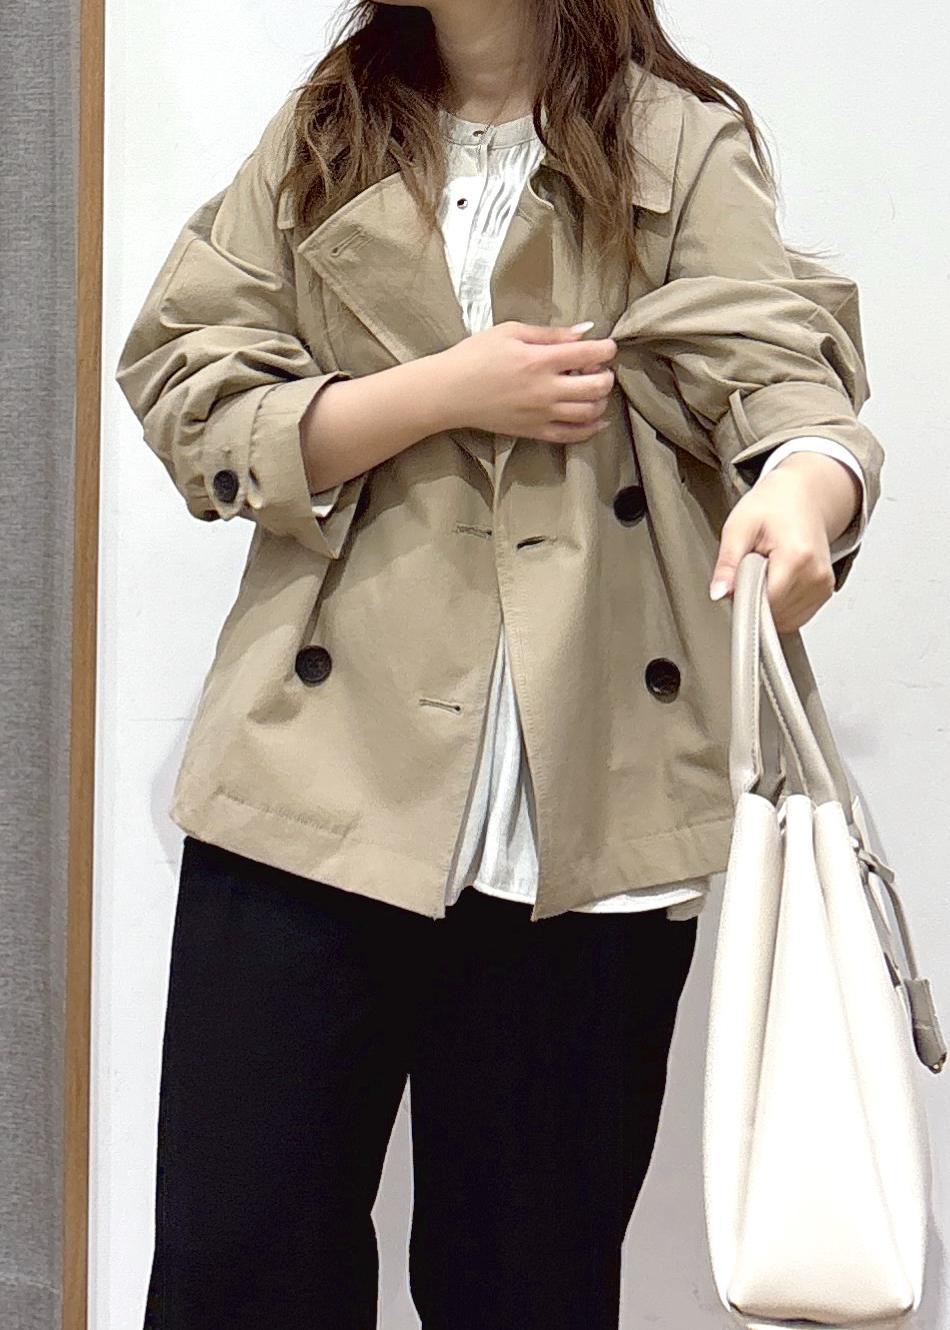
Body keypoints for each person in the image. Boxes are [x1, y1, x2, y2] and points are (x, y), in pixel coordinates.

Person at [115, 2, 882, 1326]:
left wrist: (809, 489)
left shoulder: (674, 139)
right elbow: (190, 376)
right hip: (316, 780)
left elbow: (781, 365)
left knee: (526, 1281)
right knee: (239, 1262)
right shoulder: (328, 130)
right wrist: (440, 391)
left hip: (581, 794)